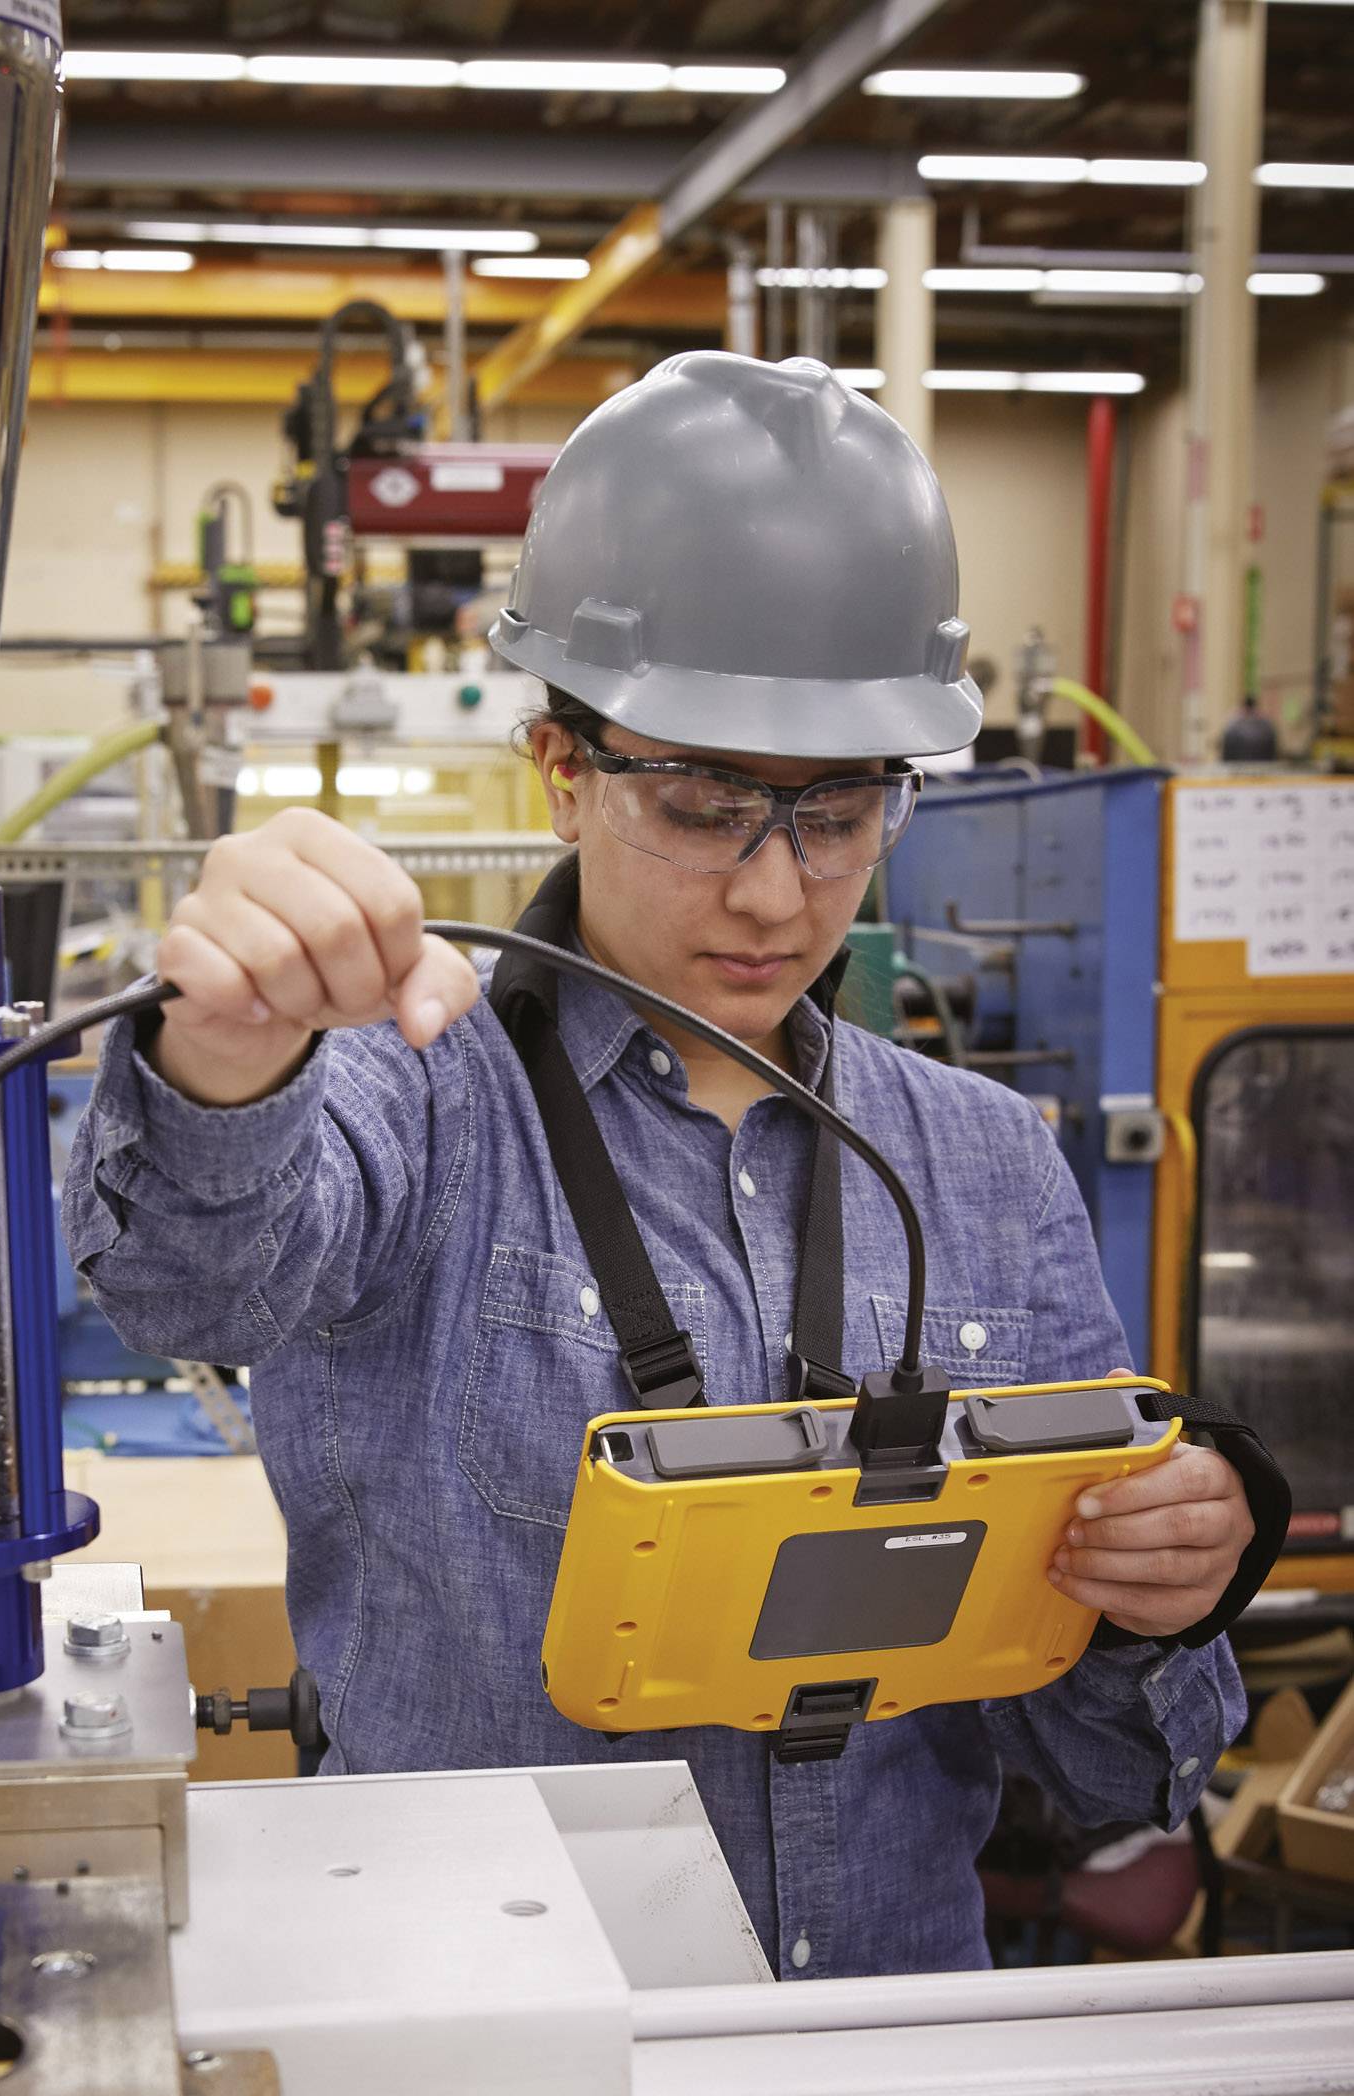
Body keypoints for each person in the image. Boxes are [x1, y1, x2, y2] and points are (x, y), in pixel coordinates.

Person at [64, 354, 1253, 1979]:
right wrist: (224, 1058)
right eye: (700, 807)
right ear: (561, 770)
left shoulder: (981, 1168)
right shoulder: (413, 1099)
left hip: (880, 2036)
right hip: (487, 2031)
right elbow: (189, 1284)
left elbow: (1118, 1775)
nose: (773, 895)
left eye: (837, 815)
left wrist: (1153, 1601)